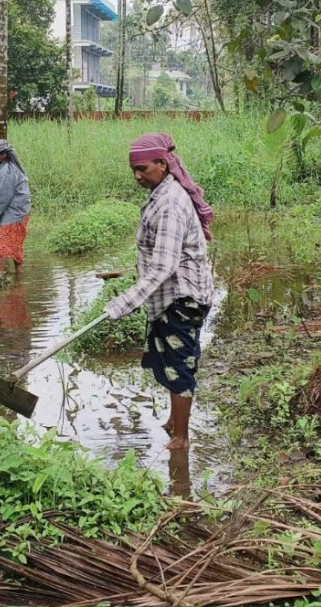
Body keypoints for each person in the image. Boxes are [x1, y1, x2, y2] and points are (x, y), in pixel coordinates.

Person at [103, 133, 214, 451]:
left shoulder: (169, 204)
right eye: (133, 170)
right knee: (172, 359)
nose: (137, 176)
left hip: (182, 298)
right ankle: (174, 420)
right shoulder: (162, 192)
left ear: (163, 164)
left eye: (142, 168)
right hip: (173, 294)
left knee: (179, 365)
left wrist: (125, 302)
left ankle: (181, 438)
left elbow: (164, 267)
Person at [0, 138, 32, 274]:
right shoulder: (6, 167)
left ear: (4, 155)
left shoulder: (7, 171)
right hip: (18, 212)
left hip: (14, 215)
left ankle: (0, 277)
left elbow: (3, 197)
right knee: (15, 247)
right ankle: (18, 280)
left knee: (2, 249)